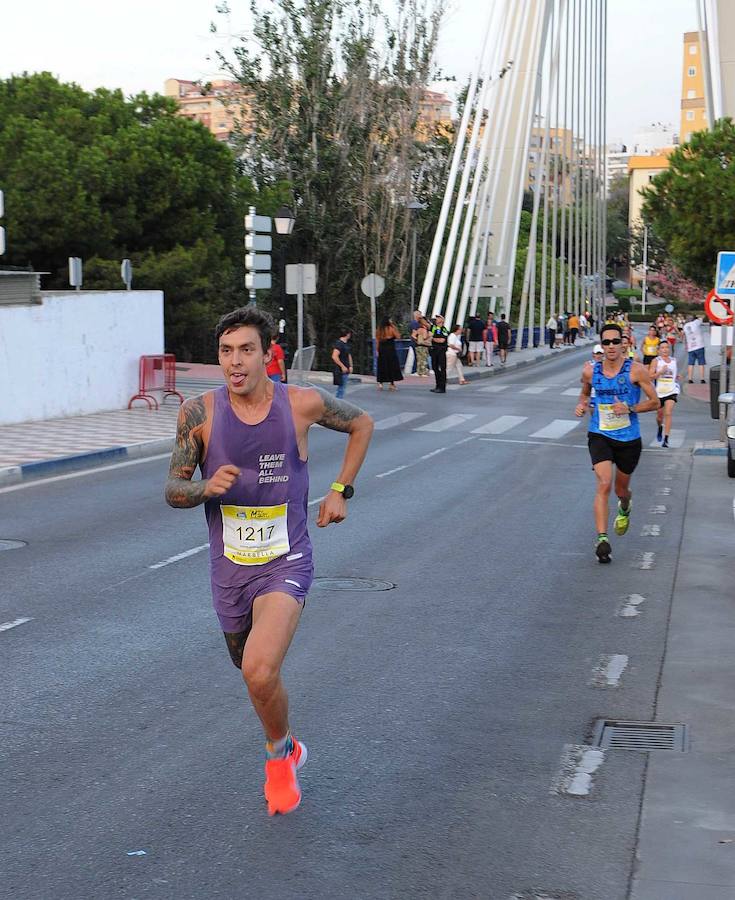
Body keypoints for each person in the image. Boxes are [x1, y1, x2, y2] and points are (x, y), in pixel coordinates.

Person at [164, 306, 374, 816]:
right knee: (247, 666)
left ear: (267, 355)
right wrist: (202, 488)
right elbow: (173, 489)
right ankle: (289, 740)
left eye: (246, 351)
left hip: (287, 558)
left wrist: (340, 490)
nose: (235, 363)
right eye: (226, 352)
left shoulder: (299, 404)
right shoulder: (199, 414)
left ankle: (279, 756)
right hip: (229, 567)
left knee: (259, 671)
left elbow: (362, 423)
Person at [574, 322, 659, 563]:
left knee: (621, 490)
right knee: (604, 483)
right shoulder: (591, 371)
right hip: (599, 434)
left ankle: (625, 505)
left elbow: (655, 402)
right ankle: (602, 539)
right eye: (606, 342)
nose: (611, 346)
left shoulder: (637, 371)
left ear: (624, 343)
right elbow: (584, 392)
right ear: (601, 345)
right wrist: (582, 404)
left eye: (615, 341)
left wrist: (630, 407)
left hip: (629, 439)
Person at [649, 339, 681, 448]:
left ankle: (666, 439)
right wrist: (659, 372)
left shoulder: (674, 360)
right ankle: (660, 427)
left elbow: (674, 374)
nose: (665, 350)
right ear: (658, 350)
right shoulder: (656, 361)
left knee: (668, 412)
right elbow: (650, 376)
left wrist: (677, 376)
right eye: (662, 348)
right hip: (659, 391)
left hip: (672, 390)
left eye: (667, 347)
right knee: (659, 416)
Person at [375, 317, 403, 391]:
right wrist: (394, 326)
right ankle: (392, 384)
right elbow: (398, 336)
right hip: (390, 349)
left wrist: (377, 350)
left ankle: (380, 383)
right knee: (391, 365)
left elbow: (377, 340)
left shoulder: (379, 330)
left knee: (382, 365)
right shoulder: (391, 328)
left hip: (382, 348)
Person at [683, 314, 707, 384]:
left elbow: (684, 336)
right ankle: (702, 379)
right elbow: (702, 318)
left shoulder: (685, 326)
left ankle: (690, 379)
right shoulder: (696, 322)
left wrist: (686, 345)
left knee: (691, 363)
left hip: (691, 347)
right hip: (699, 346)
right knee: (701, 363)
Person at [331, 326, 353, 399]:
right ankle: (338, 405)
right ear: (347, 334)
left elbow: (348, 355)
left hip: (346, 368)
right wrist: (342, 366)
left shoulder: (346, 344)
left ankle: (339, 403)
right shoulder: (339, 344)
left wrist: (350, 366)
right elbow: (334, 356)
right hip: (340, 369)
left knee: (342, 388)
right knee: (341, 389)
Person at [430, 314, 449, 393]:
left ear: (442, 320)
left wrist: (433, 339)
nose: (436, 319)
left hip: (441, 351)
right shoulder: (435, 328)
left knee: (442, 369)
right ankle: (437, 385)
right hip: (434, 350)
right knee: (435, 368)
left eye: (438, 318)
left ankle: (442, 387)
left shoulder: (444, 329)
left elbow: (442, 340)